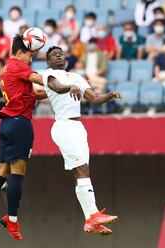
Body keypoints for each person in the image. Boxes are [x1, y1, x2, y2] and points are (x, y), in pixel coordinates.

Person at [0, 35, 46, 242]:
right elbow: (40, 79)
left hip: (7, 124)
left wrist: (56, 92)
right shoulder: (17, 65)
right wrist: (67, 79)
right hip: (20, 123)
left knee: (1, 171)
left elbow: (33, 93)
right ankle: (12, 218)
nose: (31, 59)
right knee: (18, 174)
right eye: (30, 54)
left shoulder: (7, 69)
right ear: (20, 52)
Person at [43, 46, 120, 235]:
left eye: (61, 53)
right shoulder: (49, 74)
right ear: (49, 61)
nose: (59, 55)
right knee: (82, 170)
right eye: (54, 54)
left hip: (78, 127)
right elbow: (57, 88)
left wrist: (109, 95)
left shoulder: (76, 77)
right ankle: (93, 215)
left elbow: (93, 99)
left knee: (82, 172)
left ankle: (90, 221)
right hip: (64, 126)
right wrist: (70, 87)